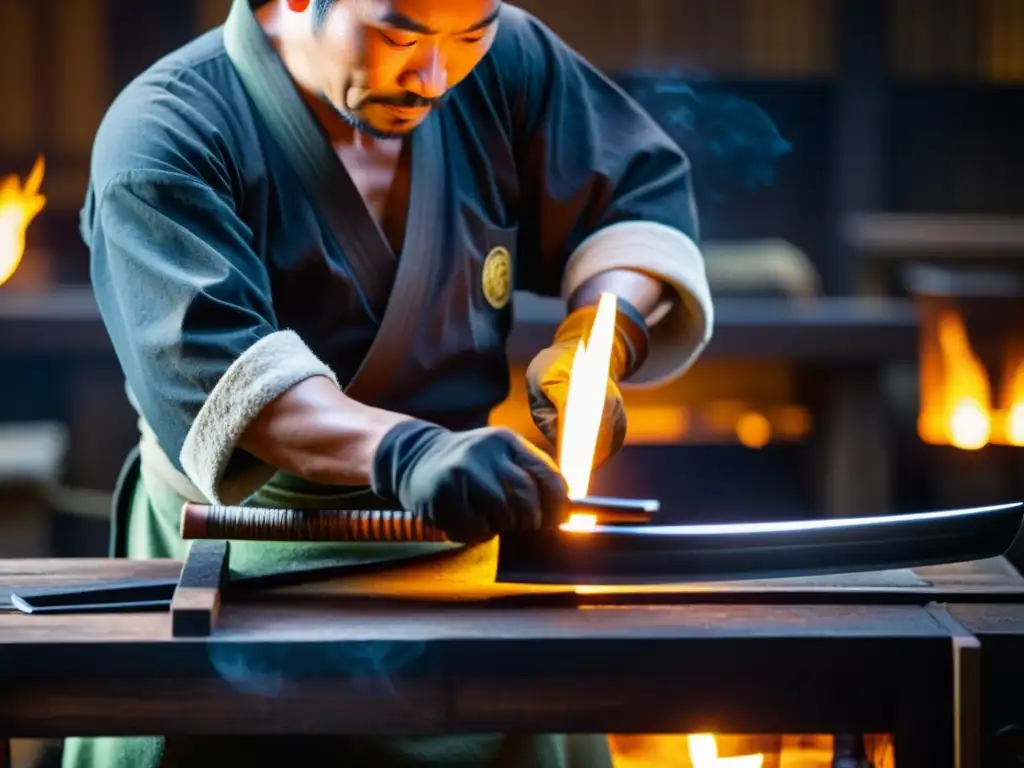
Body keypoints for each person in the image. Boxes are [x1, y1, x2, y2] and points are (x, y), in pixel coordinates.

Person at [63, 0, 714, 765]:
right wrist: (407, 454)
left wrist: (602, 335)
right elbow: (222, 382)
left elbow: (635, 198)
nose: (436, 75)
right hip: (244, 564)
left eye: (470, 35)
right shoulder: (162, 134)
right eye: (398, 35)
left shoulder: (509, 65)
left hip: (464, 551)